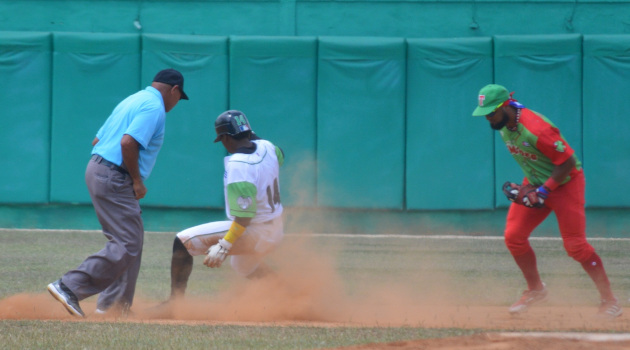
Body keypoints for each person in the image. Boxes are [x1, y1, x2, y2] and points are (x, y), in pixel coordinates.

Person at [472, 84, 622, 319]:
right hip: (536, 183)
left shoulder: (535, 128)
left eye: (491, 112)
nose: (488, 118)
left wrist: (543, 191)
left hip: (565, 184)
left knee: (576, 247)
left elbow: (568, 162)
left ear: (505, 105)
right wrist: (530, 187)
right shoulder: (503, 125)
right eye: (485, 113)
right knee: (514, 237)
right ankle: (536, 290)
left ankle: (610, 300)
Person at [47, 68, 189, 317]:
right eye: (179, 97)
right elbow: (127, 142)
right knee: (127, 242)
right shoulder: (154, 107)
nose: (177, 102)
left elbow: (96, 140)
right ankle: (69, 286)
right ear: (174, 90)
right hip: (115, 174)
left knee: (131, 240)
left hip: (99, 168)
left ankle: (114, 307)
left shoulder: (132, 100)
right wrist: (136, 180)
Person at [166, 109, 285, 303]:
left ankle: (174, 303)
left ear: (226, 138)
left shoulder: (239, 164)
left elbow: (244, 217)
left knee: (182, 242)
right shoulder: (268, 147)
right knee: (243, 265)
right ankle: (290, 296)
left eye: (221, 138)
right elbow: (281, 155)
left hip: (255, 231)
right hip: (275, 228)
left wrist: (225, 244)